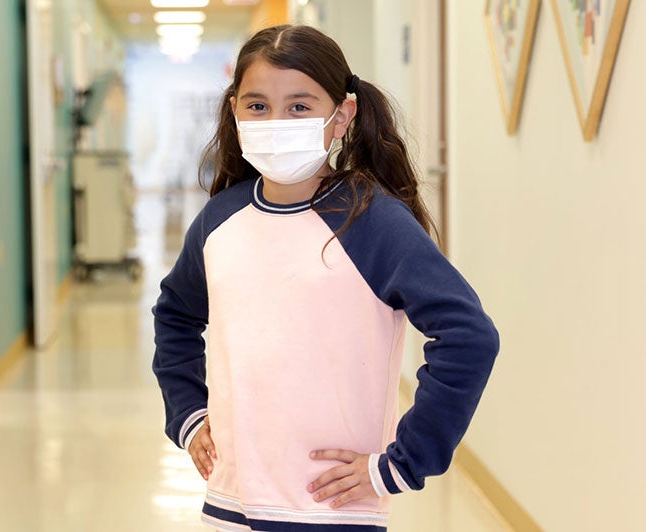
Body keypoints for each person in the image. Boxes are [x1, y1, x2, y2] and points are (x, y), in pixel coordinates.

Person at [152, 24, 499, 532]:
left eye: (299, 106)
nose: (275, 121)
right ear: (234, 112)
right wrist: (189, 414)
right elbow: (175, 315)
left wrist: (403, 462)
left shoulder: (370, 220)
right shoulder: (218, 220)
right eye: (257, 106)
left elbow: (469, 337)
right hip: (231, 500)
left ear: (343, 115)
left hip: (333, 509)